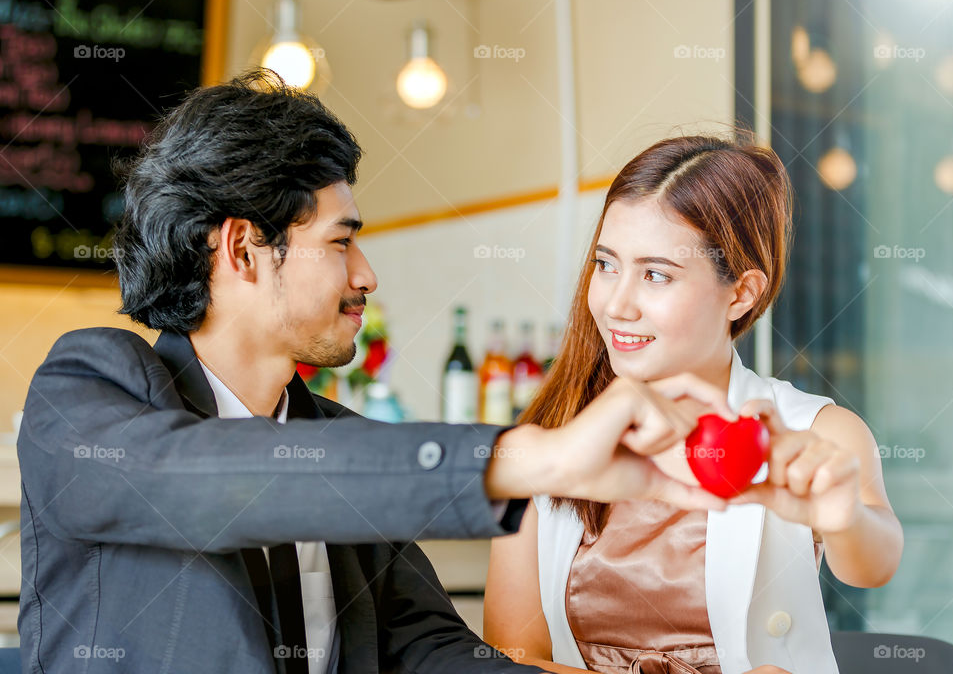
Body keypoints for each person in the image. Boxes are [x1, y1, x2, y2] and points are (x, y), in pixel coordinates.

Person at [17, 72, 736, 674]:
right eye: (341, 241)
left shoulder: (343, 441)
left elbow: (432, 654)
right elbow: (206, 478)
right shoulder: (90, 389)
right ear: (241, 250)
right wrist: (532, 457)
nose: (367, 274)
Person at [484, 135, 903, 674]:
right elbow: (512, 656)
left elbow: (874, 564)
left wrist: (843, 518)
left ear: (742, 293)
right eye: (606, 265)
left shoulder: (812, 429)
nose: (615, 304)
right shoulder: (552, 439)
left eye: (656, 274)